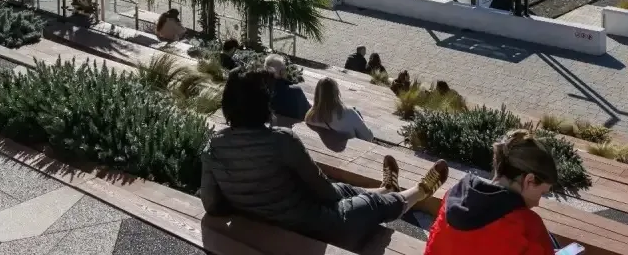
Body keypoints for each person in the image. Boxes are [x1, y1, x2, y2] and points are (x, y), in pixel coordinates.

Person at [201, 68, 448, 251]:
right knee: (369, 204)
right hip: (312, 226)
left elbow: (211, 204)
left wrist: (248, 201)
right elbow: (326, 193)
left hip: (273, 220)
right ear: (263, 105)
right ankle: (418, 192)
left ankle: (386, 188)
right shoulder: (282, 140)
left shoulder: (213, 146)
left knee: (344, 189)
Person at [425, 129, 568, 255]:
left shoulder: (453, 197)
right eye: (542, 193)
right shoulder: (527, 226)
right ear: (529, 180)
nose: (537, 203)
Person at [306, 77, 375, 141]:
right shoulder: (349, 113)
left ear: (317, 94)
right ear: (337, 93)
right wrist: (360, 119)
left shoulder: (310, 117)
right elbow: (368, 137)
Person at [265, 54, 310, 122]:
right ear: (282, 72)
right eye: (284, 69)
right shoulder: (295, 92)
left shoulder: (260, 91)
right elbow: (309, 113)